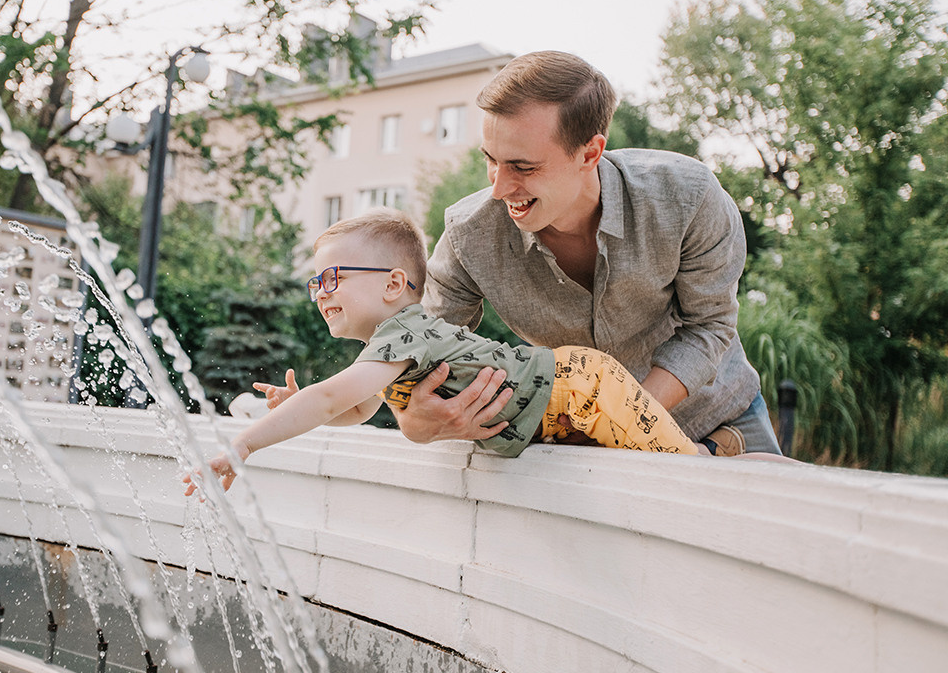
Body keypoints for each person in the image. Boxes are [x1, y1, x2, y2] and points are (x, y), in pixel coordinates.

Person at [393, 50, 783, 456]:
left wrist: (613, 423)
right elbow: (420, 348)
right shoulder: (468, 236)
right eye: (491, 159)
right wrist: (413, 416)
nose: (498, 188)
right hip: (588, 444)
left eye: (523, 167)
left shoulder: (688, 197)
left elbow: (708, 328)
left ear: (590, 154)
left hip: (721, 419)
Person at [185, 209, 714, 497]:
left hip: (583, 388)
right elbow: (354, 409)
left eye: (332, 278)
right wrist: (301, 408)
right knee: (681, 469)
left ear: (394, 284)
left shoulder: (402, 335)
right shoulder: (387, 349)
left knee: (689, 478)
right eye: (314, 283)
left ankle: (726, 460)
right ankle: (730, 457)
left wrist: (244, 445)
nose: (320, 293)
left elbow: (328, 398)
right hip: (564, 403)